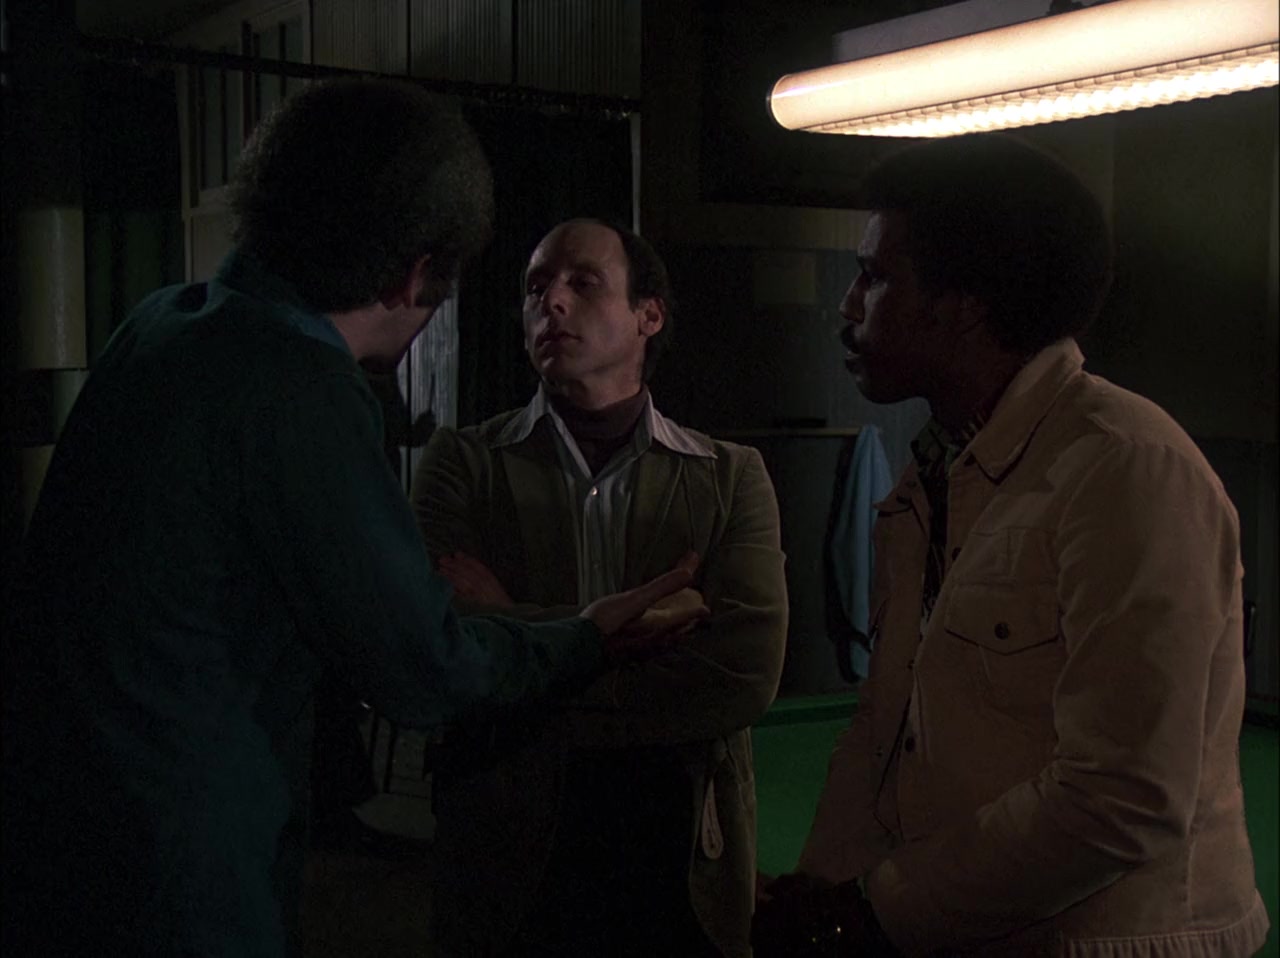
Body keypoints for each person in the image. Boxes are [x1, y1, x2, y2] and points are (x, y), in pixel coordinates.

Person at [0, 80, 704, 958]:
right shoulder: (302, 386)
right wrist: (584, 634)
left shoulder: (161, 324)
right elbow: (423, 667)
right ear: (413, 272)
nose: (552, 305)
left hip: (55, 833)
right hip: (176, 866)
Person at [752, 134, 1269, 957]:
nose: (847, 307)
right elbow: (884, 730)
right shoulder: (934, 473)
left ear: (964, 304)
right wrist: (822, 895)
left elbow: (1123, 795)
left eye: (875, 277)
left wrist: (872, 912)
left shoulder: (1127, 469)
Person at [410, 218, 788, 956]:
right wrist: (626, 636)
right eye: (535, 288)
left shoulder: (727, 475)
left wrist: (516, 632)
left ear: (650, 315)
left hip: (679, 844)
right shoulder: (464, 463)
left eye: (583, 283)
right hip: (509, 843)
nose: (550, 302)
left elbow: (744, 672)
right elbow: (434, 644)